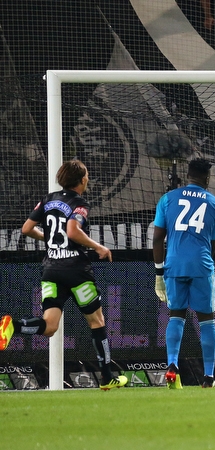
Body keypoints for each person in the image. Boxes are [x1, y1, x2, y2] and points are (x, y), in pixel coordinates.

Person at [0, 160, 127, 390]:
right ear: (82, 180)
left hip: (51, 270)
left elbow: (26, 229)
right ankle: (108, 377)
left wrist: (49, 240)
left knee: (49, 326)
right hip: (76, 270)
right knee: (97, 321)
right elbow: (72, 230)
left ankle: (13, 326)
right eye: (86, 175)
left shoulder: (48, 200)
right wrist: (97, 247)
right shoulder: (79, 204)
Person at [153, 158, 215, 389]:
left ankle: (172, 365)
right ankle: (208, 378)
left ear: (188, 175)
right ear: (207, 178)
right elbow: (214, 244)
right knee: (207, 320)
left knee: (176, 314)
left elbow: (157, 239)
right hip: (201, 264)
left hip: (173, 265)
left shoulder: (168, 199)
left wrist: (158, 273)